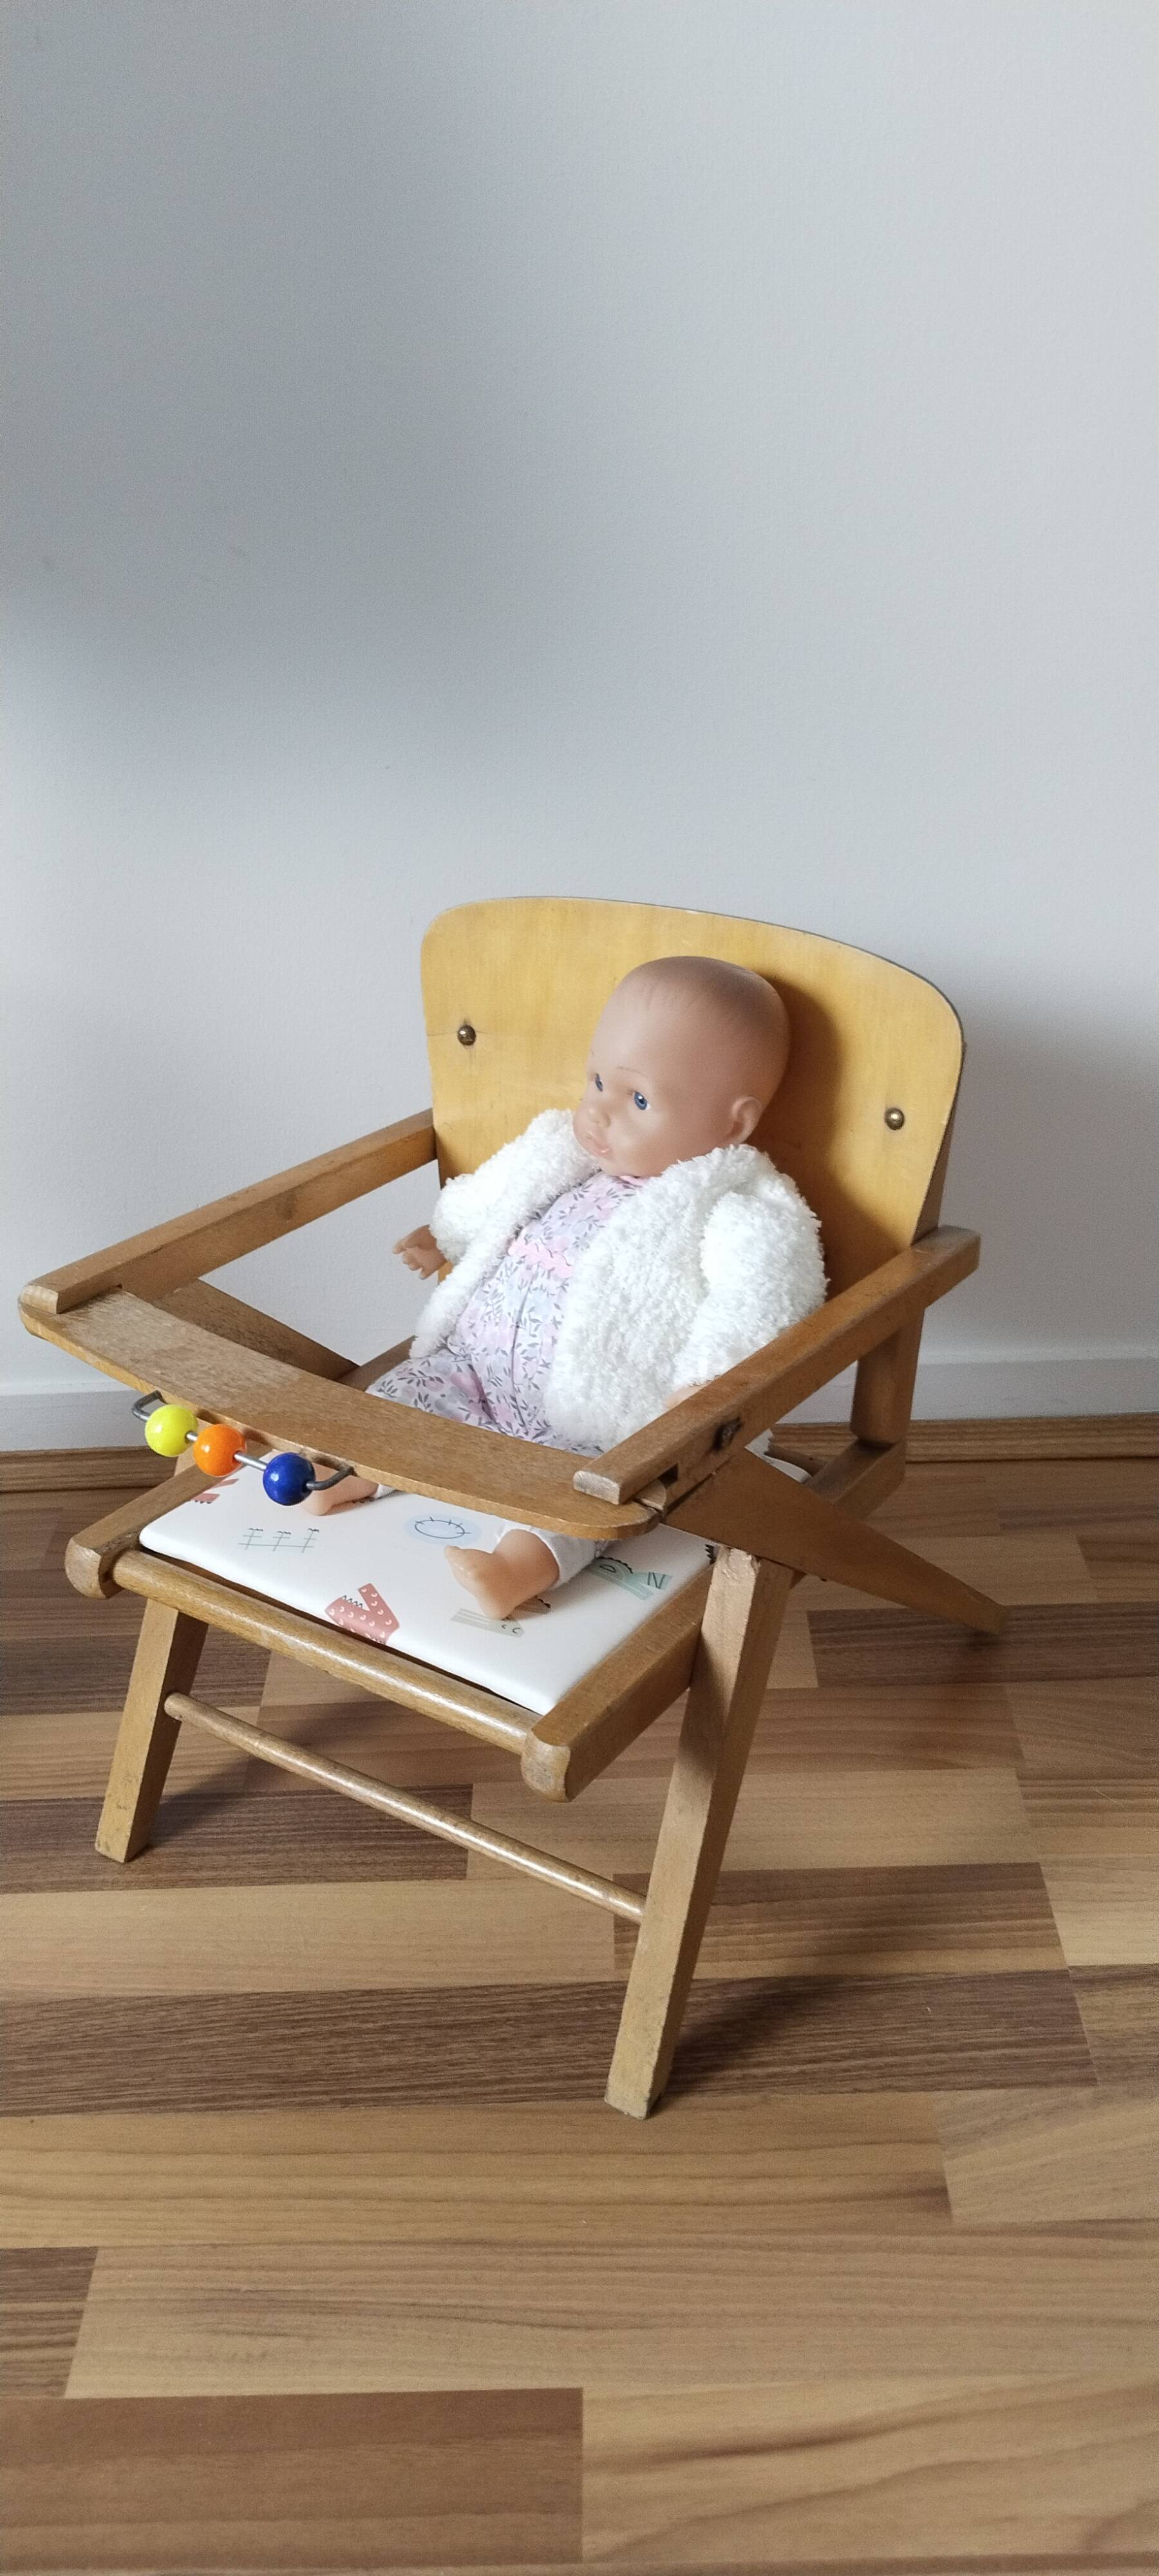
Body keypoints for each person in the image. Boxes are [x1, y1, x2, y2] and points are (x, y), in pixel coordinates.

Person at [299, 954, 825, 1617]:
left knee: (597, 1489)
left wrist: (713, 1382)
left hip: (595, 1417)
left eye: (636, 1100)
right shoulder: (559, 1150)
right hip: (475, 1370)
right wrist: (446, 1233)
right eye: (598, 1080)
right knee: (400, 1399)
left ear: (732, 1123)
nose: (598, 1113)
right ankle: (347, 1472)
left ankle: (515, 1569)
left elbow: (762, 1297)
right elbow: (497, 1190)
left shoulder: (736, 1205)